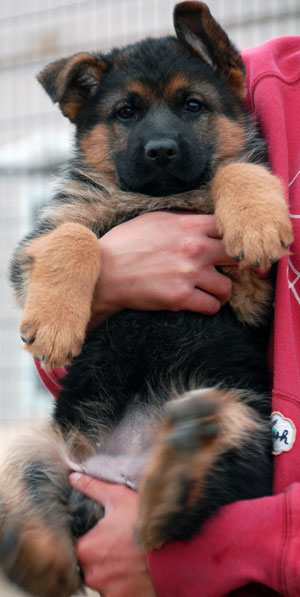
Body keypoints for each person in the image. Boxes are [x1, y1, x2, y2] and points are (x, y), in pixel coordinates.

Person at [36, 36, 300, 596]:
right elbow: (35, 297)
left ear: (230, 97)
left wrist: (241, 183)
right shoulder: (90, 202)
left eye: (191, 107)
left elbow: (256, 293)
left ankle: (171, 491)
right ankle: (39, 541)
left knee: (218, 419)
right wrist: (95, 271)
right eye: (127, 113)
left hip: (207, 424)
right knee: (19, 453)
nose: (160, 139)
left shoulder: (241, 179)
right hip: (93, 437)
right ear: (81, 115)